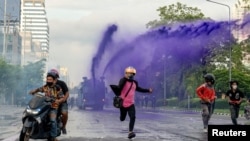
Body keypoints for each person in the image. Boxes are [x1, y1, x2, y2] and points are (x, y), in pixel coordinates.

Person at [118, 66, 153, 139]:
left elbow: (139, 89)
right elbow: (119, 87)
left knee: (133, 117)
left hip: (131, 103)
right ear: (126, 74)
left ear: (134, 74)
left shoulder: (134, 83)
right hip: (123, 104)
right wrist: (125, 79)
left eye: (132, 74)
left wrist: (148, 90)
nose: (130, 75)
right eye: (129, 73)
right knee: (122, 118)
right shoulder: (123, 80)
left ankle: (130, 132)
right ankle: (121, 117)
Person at [29, 72, 64, 141]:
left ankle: (53, 137)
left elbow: (62, 97)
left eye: (50, 79)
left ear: (54, 80)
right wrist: (33, 91)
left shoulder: (57, 88)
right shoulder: (45, 87)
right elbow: (39, 89)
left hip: (53, 107)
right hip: (44, 106)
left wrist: (58, 101)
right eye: (47, 79)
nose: (48, 81)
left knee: (53, 121)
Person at [48, 69, 69, 134]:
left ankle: (64, 127)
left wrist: (63, 99)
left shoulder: (62, 83)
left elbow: (67, 93)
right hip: (51, 102)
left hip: (62, 102)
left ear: (56, 77)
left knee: (64, 113)